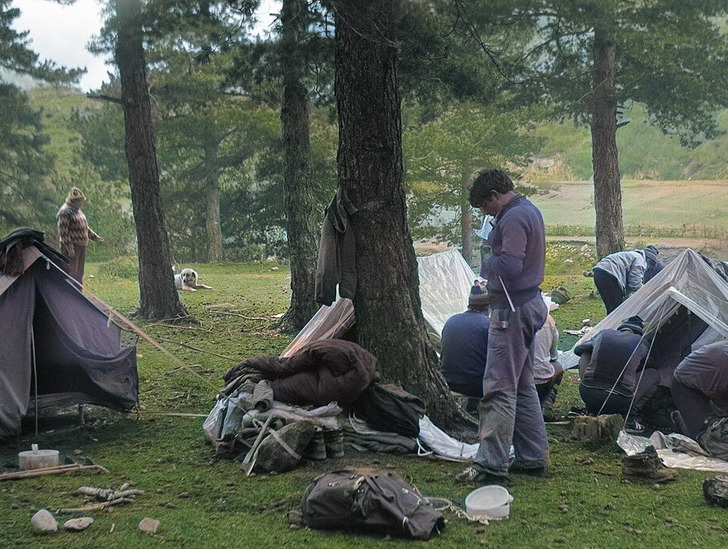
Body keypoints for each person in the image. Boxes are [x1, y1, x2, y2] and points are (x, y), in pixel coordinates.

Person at [456, 168, 549, 485]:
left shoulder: (511, 218)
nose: (484, 212)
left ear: (495, 196)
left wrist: (486, 261)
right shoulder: (529, 210)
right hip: (529, 303)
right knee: (522, 385)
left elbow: (510, 265)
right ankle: (533, 456)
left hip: (511, 309)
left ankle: (492, 464)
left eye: (484, 206)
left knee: (498, 387)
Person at [575, 315, 661, 430]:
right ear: (639, 332)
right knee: (654, 374)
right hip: (620, 400)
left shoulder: (604, 334)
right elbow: (653, 364)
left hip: (588, 394)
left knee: (585, 354)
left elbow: (578, 350)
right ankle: (629, 416)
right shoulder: (641, 342)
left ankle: (592, 410)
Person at [440, 282, 491, 413]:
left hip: (447, 381)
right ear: (488, 307)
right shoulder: (488, 325)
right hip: (474, 386)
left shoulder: (451, 320)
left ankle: (471, 407)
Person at [671, 341, 728, 441]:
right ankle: (681, 420)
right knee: (704, 437)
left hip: (713, 383)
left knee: (718, 429)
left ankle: (691, 421)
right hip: (686, 384)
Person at [591, 246, 662, 313]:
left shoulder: (631, 255)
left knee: (610, 306)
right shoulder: (640, 261)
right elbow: (634, 281)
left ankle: (609, 324)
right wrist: (644, 293)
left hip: (598, 272)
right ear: (648, 259)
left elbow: (628, 281)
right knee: (618, 308)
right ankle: (617, 325)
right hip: (610, 274)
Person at [56, 187, 103, 285]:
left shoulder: (78, 211)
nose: (82, 203)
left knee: (80, 272)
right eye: (80, 201)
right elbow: (63, 232)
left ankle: (79, 294)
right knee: (71, 272)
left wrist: (95, 237)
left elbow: (85, 228)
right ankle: (70, 295)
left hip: (81, 246)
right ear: (74, 201)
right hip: (72, 246)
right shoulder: (65, 212)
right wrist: (70, 248)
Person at [533, 307, 563, 422]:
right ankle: (546, 405)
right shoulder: (548, 319)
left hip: (510, 383)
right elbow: (553, 356)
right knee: (558, 367)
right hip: (539, 382)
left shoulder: (506, 315)